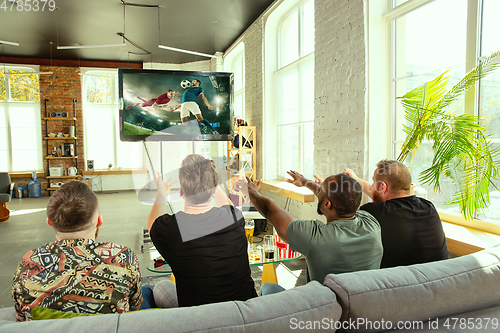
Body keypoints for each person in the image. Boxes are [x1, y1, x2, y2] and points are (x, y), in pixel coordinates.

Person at [12, 181, 148, 321]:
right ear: (99, 220)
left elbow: (21, 316)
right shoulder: (124, 257)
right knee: (147, 292)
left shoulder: (28, 262)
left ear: (49, 222)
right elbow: (134, 307)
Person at [236, 171, 383, 294]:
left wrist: (250, 190)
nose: (318, 192)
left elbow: (270, 209)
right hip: (362, 307)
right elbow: (341, 197)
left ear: (327, 204)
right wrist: (305, 182)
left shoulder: (315, 237)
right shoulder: (372, 223)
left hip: (321, 310)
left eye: (321, 191)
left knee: (267, 288)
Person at [148, 154, 257, 307]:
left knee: (161, 287)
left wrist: (161, 194)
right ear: (213, 191)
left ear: (181, 192)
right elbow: (226, 204)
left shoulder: (170, 230)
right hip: (244, 313)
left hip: (201, 320)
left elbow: (152, 222)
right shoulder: (234, 217)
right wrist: (210, 180)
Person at [343, 159, 449, 268]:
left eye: (374, 182)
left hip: (399, 283)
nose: (372, 185)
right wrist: (356, 179)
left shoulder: (373, 212)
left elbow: (341, 221)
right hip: (440, 279)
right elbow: (381, 196)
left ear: (382, 187)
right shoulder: (428, 207)